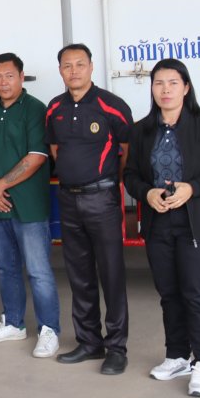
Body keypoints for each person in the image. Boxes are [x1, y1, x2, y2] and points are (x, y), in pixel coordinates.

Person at [124, 59, 200, 398]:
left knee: (196, 295)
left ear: (186, 88)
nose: (165, 89)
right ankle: (176, 355)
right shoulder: (141, 130)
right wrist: (147, 193)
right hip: (158, 223)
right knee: (169, 294)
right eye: (159, 83)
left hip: (196, 224)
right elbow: (130, 175)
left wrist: (193, 188)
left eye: (173, 83)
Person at [46, 43, 134, 375]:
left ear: (91, 67)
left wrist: (108, 183)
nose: (74, 71)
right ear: (60, 71)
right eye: (67, 66)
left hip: (102, 200)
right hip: (68, 200)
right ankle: (89, 343)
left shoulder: (112, 105)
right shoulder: (54, 108)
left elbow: (126, 150)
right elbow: (55, 148)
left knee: (111, 275)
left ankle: (117, 348)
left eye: (80, 64)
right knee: (79, 275)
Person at [0, 53, 61, 359]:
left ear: (22, 77)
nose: (3, 82)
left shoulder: (35, 109)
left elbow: (36, 157)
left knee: (38, 271)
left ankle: (49, 330)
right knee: (5, 267)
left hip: (30, 206)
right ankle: (13, 322)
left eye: (9, 75)